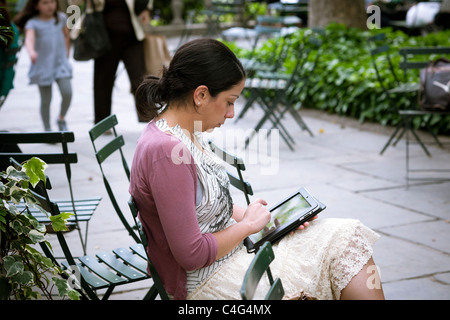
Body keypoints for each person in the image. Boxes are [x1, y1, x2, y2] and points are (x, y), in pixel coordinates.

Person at [129, 38, 385, 300]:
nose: (231, 113)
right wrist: (249, 226)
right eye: (229, 101)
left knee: (347, 236)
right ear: (201, 95)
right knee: (326, 261)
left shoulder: (186, 131)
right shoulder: (168, 153)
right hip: (206, 281)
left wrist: (270, 222)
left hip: (233, 252)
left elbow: (200, 209)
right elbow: (191, 255)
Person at [70, 0, 153, 124]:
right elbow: (73, 4)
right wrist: (72, 26)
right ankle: (103, 122)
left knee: (139, 80)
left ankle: (148, 119)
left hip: (132, 37)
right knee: (102, 83)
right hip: (103, 41)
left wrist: (147, 9)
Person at [14, 0, 72, 132]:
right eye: (45, 3)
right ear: (36, 6)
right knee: (46, 100)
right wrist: (31, 51)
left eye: (52, 2)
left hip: (60, 64)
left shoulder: (61, 18)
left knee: (67, 92)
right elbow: (29, 39)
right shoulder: (33, 23)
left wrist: (66, 54)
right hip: (43, 66)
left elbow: (66, 35)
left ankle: (61, 118)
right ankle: (47, 129)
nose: (50, 5)